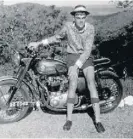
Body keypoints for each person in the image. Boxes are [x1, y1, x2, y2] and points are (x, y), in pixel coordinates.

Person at [28, 5, 105, 133]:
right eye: (78, 17)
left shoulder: (90, 28)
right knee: (72, 83)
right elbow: (56, 38)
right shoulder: (68, 27)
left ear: (85, 17)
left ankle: (98, 120)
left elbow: (87, 51)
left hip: (85, 57)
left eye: (83, 17)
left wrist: (76, 66)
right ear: (74, 17)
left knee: (91, 83)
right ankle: (69, 119)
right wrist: (39, 43)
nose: (80, 20)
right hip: (72, 57)